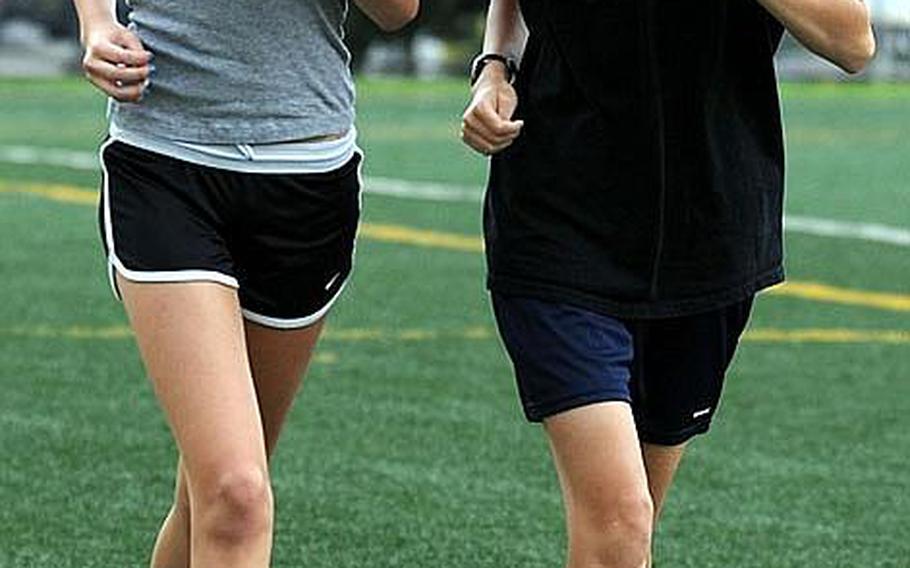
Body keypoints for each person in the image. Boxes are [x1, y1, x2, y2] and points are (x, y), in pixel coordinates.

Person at [462, 1, 874, 567]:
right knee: (621, 519)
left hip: (709, 239)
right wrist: (494, 67)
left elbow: (852, 42)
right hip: (557, 224)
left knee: (632, 532)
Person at [72, 0, 418, 566]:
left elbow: (397, 11)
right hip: (166, 163)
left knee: (207, 502)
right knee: (236, 495)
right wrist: (97, 23)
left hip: (307, 179)